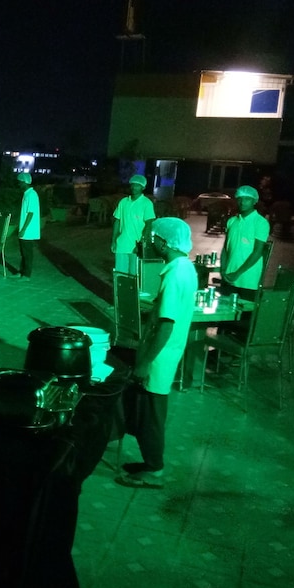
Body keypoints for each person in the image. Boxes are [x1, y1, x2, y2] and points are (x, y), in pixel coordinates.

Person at [116, 217, 198, 490]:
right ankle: (149, 462)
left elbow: (166, 324)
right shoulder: (185, 267)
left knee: (151, 416)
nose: (150, 242)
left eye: (153, 238)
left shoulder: (175, 275)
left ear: (164, 242)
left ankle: (154, 469)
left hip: (160, 356)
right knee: (147, 412)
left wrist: (145, 362)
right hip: (165, 352)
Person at [220, 185, 270, 301]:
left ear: (254, 201)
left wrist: (237, 273)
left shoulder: (260, 222)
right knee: (224, 310)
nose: (242, 202)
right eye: (240, 199)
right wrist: (223, 270)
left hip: (248, 279)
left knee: (245, 311)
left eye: (247, 199)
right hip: (228, 276)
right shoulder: (232, 221)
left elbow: (257, 252)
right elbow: (226, 249)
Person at [111, 173, 156, 275]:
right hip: (122, 245)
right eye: (133, 184)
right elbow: (117, 221)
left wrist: (141, 244)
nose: (134, 187)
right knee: (120, 275)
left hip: (136, 246)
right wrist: (114, 241)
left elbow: (148, 225)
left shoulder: (147, 203)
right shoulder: (123, 202)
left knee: (134, 274)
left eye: (138, 185)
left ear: (143, 187)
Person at [16, 172, 40, 279]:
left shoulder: (32, 195)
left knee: (27, 253)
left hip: (28, 230)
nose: (18, 184)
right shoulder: (27, 194)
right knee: (23, 252)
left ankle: (26, 275)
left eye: (20, 182)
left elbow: (30, 213)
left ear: (24, 182)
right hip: (25, 229)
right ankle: (21, 271)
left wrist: (24, 229)